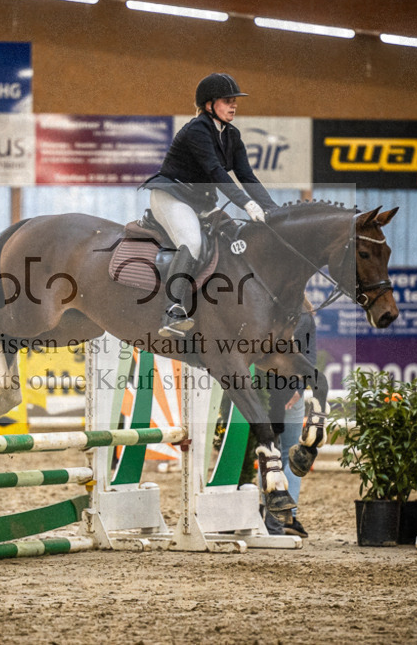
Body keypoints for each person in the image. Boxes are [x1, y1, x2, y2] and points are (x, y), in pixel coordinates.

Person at [144, 73, 279, 338]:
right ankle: (172, 310)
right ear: (209, 105)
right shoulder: (197, 130)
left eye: (234, 101)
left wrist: (273, 209)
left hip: (201, 203)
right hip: (172, 197)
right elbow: (216, 172)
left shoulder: (232, 135)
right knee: (192, 243)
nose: (234, 105)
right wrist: (246, 204)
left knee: (234, 239)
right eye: (227, 101)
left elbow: (247, 177)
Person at [263, 299, 317, 538]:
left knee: (268, 452)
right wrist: (298, 387)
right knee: (291, 454)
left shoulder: (266, 307)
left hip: (265, 390)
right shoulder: (305, 313)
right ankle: (287, 516)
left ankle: (269, 511)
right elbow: (308, 357)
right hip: (290, 390)